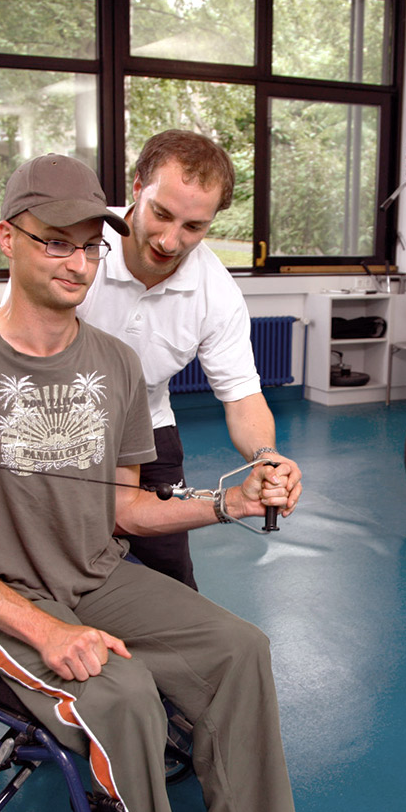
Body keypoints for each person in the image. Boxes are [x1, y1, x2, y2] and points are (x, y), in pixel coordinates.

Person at [0, 154, 336, 812]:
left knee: (239, 649)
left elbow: (123, 507)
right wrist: (45, 631)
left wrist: (229, 501)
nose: (77, 262)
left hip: (93, 574)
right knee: (122, 693)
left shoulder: (114, 363)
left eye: (88, 245)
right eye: (54, 242)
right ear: (9, 241)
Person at [78, 129, 301, 590]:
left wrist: (267, 456)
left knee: (173, 584)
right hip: (59, 421)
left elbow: (242, 396)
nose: (170, 240)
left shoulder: (215, 292)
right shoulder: (79, 249)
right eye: (161, 214)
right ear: (137, 187)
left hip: (147, 429)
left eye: (193, 227)